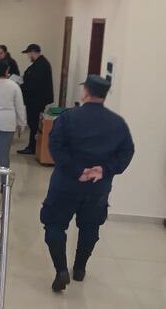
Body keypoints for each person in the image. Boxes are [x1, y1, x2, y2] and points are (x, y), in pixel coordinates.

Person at [40, 75, 134, 292]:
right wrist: (104, 170)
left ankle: (61, 270)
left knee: (54, 225)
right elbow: (127, 151)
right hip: (98, 187)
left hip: (66, 184)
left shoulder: (68, 118)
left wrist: (77, 171)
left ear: (85, 93)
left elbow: (55, 146)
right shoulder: (117, 123)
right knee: (90, 226)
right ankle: (80, 268)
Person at [17, 43, 54, 155]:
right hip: (34, 99)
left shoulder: (41, 65)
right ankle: (32, 146)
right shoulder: (39, 64)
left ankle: (32, 147)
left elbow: (34, 84)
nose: (28, 56)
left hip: (36, 100)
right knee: (33, 123)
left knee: (33, 123)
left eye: (28, 54)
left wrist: (21, 85)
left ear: (33, 52)